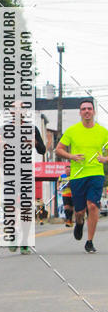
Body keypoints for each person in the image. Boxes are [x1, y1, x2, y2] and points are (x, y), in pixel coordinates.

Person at [55, 100, 108, 254]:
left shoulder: (103, 132)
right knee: (79, 211)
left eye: (89, 109)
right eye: (83, 109)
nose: (86, 111)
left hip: (96, 174)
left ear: (94, 112)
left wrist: (104, 159)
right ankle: (79, 222)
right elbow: (59, 149)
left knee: (92, 206)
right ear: (80, 112)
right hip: (78, 176)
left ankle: (89, 241)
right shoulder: (72, 131)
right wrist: (71, 155)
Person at [0, 119, 46, 253]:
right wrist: (0, 145)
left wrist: (35, 143)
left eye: (20, 108)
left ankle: (24, 241)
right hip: (10, 172)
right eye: (14, 108)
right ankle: (12, 235)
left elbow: (43, 150)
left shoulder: (32, 128)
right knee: (10, 206)